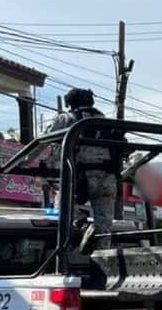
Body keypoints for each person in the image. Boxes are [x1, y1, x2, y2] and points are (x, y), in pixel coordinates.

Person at [49, 88, 117, 248]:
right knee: (105, 227)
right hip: (107, 180)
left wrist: (24, 162)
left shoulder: (66, 119)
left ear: (70, 104)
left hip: (80, 179)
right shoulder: (107, 122)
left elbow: (44, 140)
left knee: (60, 207)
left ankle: (83, 225)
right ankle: (102, 258)